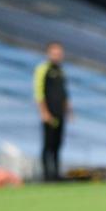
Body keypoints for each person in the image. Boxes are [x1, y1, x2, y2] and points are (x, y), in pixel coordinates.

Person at [33, 42, 71, 181]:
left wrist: (68, 111)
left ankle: (55, 173)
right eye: (54, 53)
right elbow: (38, 92)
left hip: (60, 113)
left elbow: (64, 93)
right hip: (49, 113)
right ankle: (46, 174)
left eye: (59, 53)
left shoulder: (61, 70)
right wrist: (44, 112)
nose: (57, 56)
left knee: (58, 144)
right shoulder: (43, 69)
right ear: (48, 53)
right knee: (47, 144)